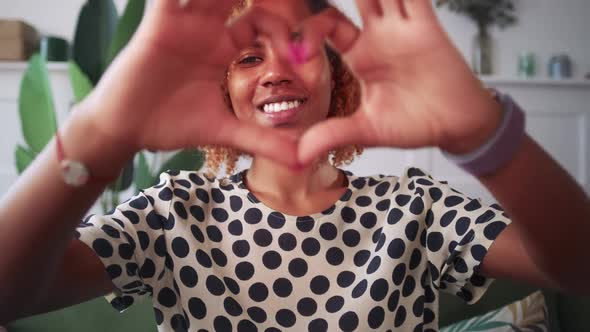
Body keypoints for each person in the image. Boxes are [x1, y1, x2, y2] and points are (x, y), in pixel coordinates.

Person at [0, 0, 588, 331]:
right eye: (249, 57)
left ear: (339, 79)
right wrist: (99, 134)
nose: (277, 72)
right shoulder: (173, 213)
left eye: (303, 52)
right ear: (222, 90)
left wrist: (483, 136)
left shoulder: (416, 205)